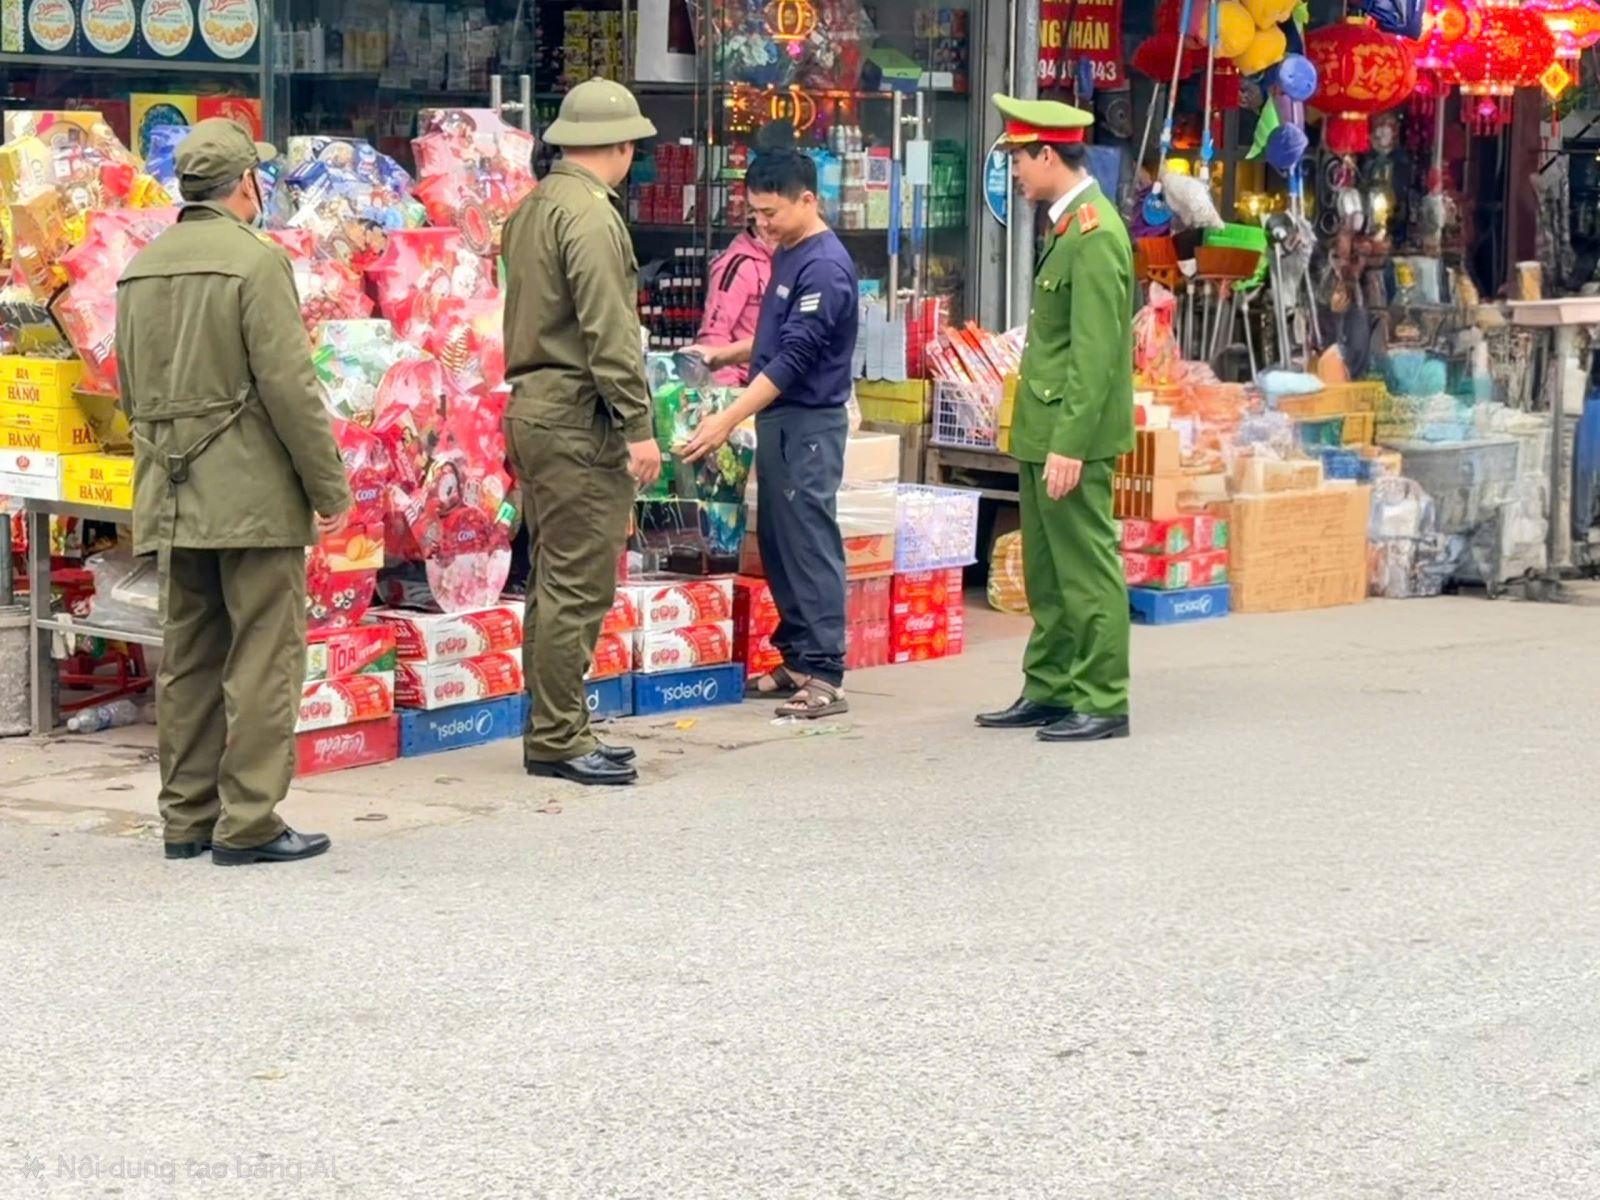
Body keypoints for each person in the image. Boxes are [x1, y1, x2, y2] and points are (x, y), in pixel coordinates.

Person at [116, 118, 352, 864]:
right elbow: (291, 389)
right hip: (251, 496)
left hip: (170, 490)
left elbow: (128, 389)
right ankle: (248, 821)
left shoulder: (140, 267)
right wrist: (331, 490)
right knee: (261, 656)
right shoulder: (256, 263)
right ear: (247, 182)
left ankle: (185, 819)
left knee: (188, 657)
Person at [502, 79, 662, 786]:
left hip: (534, 406)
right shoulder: (593, 218)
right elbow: (609, 331)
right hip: (576, 416)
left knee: (551, 580)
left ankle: (554, 725)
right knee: (577, 584)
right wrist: (638, 426)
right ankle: (559, 735)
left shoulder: (534, 207)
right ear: (622, 147)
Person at [975, 94, 1135, 743]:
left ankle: (1102, 697)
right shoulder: (1069, 225)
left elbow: (1096, 357)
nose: (1013, 170)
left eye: (1018, 157)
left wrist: (1070, 443)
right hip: (1046, 431)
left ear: (1048, 154)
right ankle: (1051, 687)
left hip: (1074, 437)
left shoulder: (1095, 234)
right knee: (1046, 568)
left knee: (1085, 569)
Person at [682, 149, 858, 719]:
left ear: (807, 200)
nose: (762, 224)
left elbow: (796, 357)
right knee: (779, 543)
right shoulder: (787, 250)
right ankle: (797, 657)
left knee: (809, 540)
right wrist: (721, 355)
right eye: (754, 214)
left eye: (772, 212)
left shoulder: (825, 267)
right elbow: (771, 339)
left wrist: (727, 417)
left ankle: (825, 671)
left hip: (809, 421)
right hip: (780, 418)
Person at [695, 221, 774, 387]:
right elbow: (712, 335)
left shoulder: (784, 259)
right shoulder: (736, 265)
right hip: (747, 385)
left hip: (775, 384)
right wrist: (730, 393)